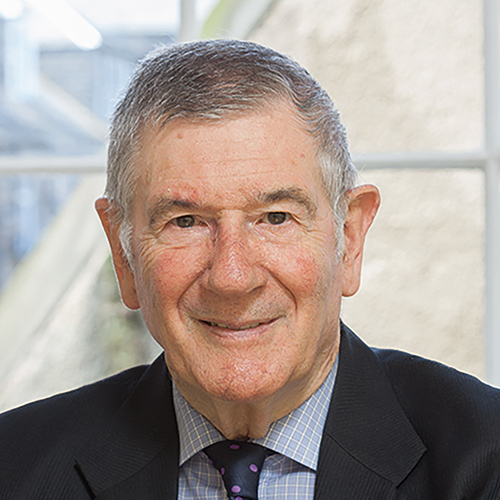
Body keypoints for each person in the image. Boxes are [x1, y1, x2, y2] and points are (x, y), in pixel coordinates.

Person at [1, 39, 499, 500]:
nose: (233, 277)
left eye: (276, 217)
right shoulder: (15, 467)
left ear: (348, 239)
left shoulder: (485, 459)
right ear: (123, 252)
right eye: (186, 222)